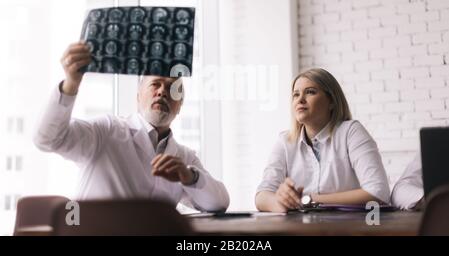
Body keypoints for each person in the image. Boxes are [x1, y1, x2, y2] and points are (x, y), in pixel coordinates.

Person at [33, 41, 229, 212]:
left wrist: (188, 176)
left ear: (180, 106)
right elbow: (48, 139)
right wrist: (71, 83)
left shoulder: (185, 157)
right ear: (138, 96)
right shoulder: (106, 131)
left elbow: (220, 203)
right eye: (155, 84)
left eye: (172, 89)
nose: (162, 92)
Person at [255, 68, 390, 212]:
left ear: (331, 101)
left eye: (310, 92)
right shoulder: (285, 141)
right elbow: (261, 196)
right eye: (295, 94)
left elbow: (378, 192)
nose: (300, 99)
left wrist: (310, 199)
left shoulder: (351, 131)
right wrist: (282, 201)